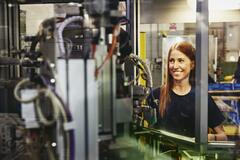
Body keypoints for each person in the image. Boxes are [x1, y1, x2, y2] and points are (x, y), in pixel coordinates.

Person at [147, 41, 227, 141]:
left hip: (192, 155)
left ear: (192, 65)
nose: (175, 66)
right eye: (171, 61)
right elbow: (146, 133)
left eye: (180, 61)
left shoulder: (201, 98)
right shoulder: (156, 96)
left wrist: (210, 137)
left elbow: (223, 136)